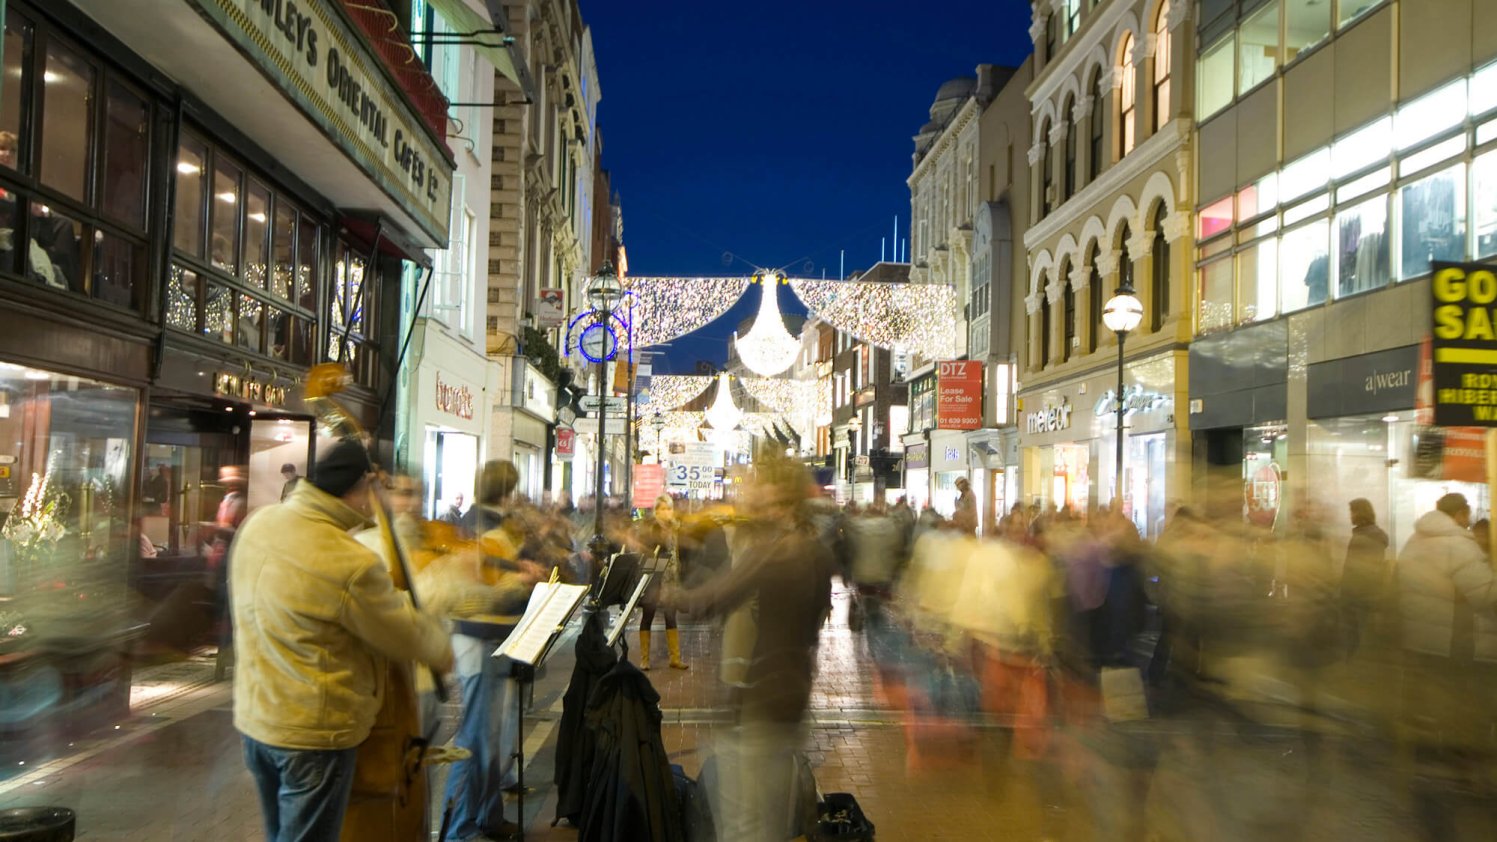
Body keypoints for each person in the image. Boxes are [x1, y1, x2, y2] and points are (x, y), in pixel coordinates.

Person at [229, 439, 453, 842]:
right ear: (361, 488)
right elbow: (407, 636)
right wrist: (441, 644)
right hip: (314, 736)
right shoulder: (348, 559)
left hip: (255, 721)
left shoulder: (258, 525)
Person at [663, 456, 835, 842]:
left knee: (744, 828)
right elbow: (818, 614)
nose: (752, 493)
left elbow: (707, 601)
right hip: (793, 697)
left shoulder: (772, 554)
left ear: (782, 499)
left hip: (758, 701)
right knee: (771, 821)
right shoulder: (816, 551)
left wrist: (660, 593)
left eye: (762, 487)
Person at [442, 460, 545, 842]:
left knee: (486, 737)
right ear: (507, 490)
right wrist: (523, 578)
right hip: (483, 636)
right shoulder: (485, 527)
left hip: (490, 638)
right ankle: (460, 828)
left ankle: (487, 815)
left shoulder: (480, 522)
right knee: (475, 739)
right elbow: (483, 589)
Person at [635, 494, 688, 670]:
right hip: (654, 576)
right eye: (663, 509)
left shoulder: (677, 528)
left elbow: (681, 551)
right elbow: (645, 550)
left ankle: (675, 657)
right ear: (656, 511)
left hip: (671, 577)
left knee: (671, 616)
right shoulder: (650, 528)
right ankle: (645, 659)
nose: (667, 512)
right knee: (648, 616)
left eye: (669, 508)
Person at [1340, 498, 1390, 654]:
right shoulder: (1369, 535)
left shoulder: (1365, 537)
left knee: (1359, 634)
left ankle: (1357, 661)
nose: (1350, 516)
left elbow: (1357, 568)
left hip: (1359, 593)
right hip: (1364, 592)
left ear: (1360, 513)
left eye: (1352, 512)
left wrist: (1345, 591)